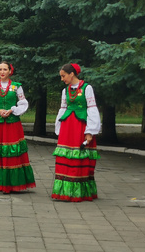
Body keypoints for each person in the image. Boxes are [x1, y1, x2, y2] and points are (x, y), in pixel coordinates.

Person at [0, 61, 36, 193]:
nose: (2, 72)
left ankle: (14, 183)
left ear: (10, 71)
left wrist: (12, 110)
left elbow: (23, 103)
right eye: (0, 69)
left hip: (12, 123)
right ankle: (1, 182)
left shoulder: (17, 86)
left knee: (13, 150)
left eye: (5, 69)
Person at [52, 63, 101, 202]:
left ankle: (78, 192)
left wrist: (90, 131)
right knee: (66, 155)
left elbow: (92, 108)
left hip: (80, 125)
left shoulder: (87, 88)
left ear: (71, 74)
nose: (62, 79)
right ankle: (64, 191)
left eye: (63, 76)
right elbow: (63, 108)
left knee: (78, 155)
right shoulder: (65, 91)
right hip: (68, 126)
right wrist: (59, 127)